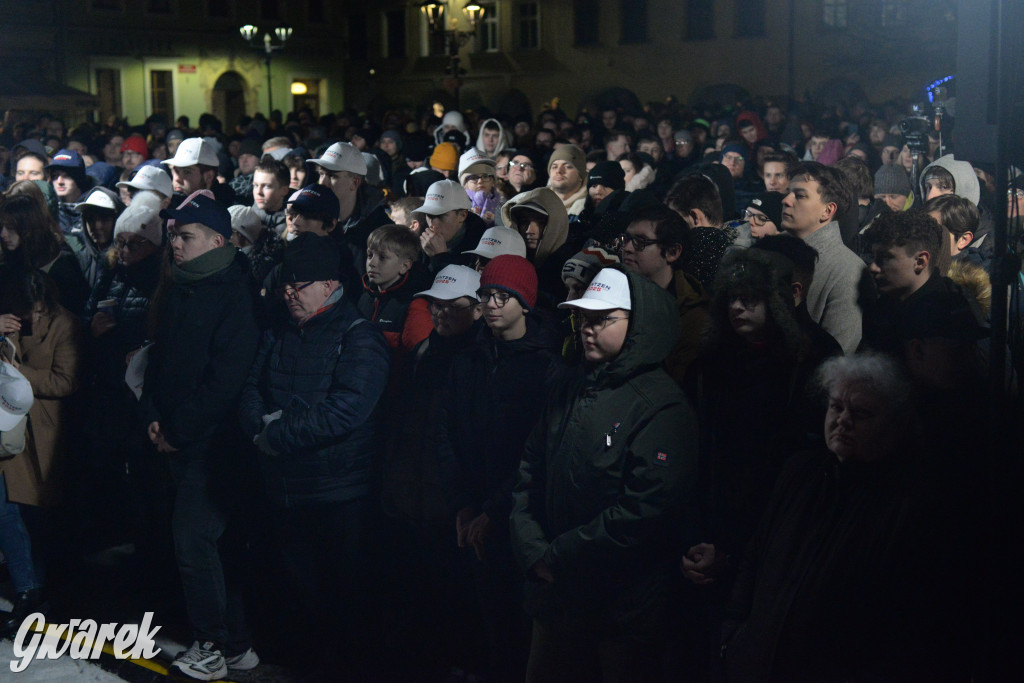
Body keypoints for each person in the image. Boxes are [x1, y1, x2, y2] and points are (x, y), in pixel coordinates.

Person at [722, 353, 969, 681]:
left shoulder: (910, 505)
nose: (843, 420)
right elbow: (755, 559)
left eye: (861, 413)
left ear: (894, 424)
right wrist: (735, 636)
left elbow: (909, 624)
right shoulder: (799, 474)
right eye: (836, 407)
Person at [510, 266, 698, 682]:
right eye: (583, 318)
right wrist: (533, 549)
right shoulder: (568, 386)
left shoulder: (660, 406)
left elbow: (646, 510)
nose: (588, 329)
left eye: (603, 319)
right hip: (555, 599)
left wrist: (555, 556)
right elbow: (528, 472)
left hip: (620, 611)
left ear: (638, 325)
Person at [239, 232, 390, 679]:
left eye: (299, 286)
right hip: (283, 489)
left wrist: (277, 433)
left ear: (329, 285)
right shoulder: (279, 329)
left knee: (339, 598)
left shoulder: (359, 337)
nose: (289, 294)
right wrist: (256, 429)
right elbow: (251, 387)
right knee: (295, 592)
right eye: (286, 285)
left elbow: (347, 410)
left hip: (336, 493)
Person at [142, 191, 260, 680]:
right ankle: (235, 644)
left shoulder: (236, 293)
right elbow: (159, 356)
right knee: (204, 546)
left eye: (185, 236)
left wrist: (177, 429)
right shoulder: (180, 285)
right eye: (172, 235)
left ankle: (211, 645)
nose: (175, 244)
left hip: (213, 446)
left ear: (217, 239)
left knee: (196, 543)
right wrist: (152, 414)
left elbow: (225, 379)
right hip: (173, 437)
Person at [438, 254, 561, 682]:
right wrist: (464, 504)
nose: (491, 303)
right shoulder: (468, 359)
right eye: (487, 294)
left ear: (524, 303)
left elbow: (536, 451)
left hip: (518, 514)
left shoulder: (545, 365)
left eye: (503, 296)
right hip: (473, 511)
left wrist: (495, 507)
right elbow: (448, 431)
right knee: (483, 619)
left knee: (517, 626)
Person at [379, 265, 485, 679]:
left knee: (455, 598)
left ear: (476, 309)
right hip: (413, 497)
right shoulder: (426, 352)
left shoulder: (479, 358)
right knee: (418, 592)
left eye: (451, 306)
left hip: (452, 505)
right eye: (435, 305)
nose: (440, 314)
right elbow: (405, 425)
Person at [0, 271, 82, 636]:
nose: (29, 317)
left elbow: (65, 380)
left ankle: (37, 590)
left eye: (35, 309)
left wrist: (21, 373)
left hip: (42, 431)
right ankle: (28, 588)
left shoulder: (65, 325)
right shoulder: (8, 320)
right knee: (7, 507)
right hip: (10, 429)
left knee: (35, 515)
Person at [780, 162, 869, 353]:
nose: (786, 200)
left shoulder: (849, 271)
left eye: (800, 195)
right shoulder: (770, 251)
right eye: (787, 193)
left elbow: (837, 358)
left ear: (827, 211)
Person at [616, 206, 709, 384]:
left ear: (673, 252)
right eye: (626, 239)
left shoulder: (692, 317)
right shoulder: (613, 292)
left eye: (640, 242)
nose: (627, 248)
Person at [0, 184, 89, 316]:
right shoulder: (9, 265)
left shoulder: (61, 266)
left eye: (10, 227)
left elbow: (73, 318)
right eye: (1, 227)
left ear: (27, 227)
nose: (3, 234)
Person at [358, 224, 433, 356]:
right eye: (370, 255)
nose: (372, 263)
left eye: (382, 257)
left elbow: (422, 359)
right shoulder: (365, 298)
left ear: (404, 266)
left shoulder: (414, 306)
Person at [500, 187, 578, 307]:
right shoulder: (510, 260)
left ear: (556, 224)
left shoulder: (571, 268)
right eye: (525, 221)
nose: (529, 230)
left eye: (540, 223)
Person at [415, 178, 488, 274]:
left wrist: (440, 258)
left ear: (462, 215)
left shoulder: (483, 248)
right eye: (430, 215)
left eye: (440, 216)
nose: (433, 224)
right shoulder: (418, 239)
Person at [164, 137, 237, 207]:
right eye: (176, 171)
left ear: (209, 177)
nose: (177, 179)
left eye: (187, 172)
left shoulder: (228, 211)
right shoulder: (169, 205)